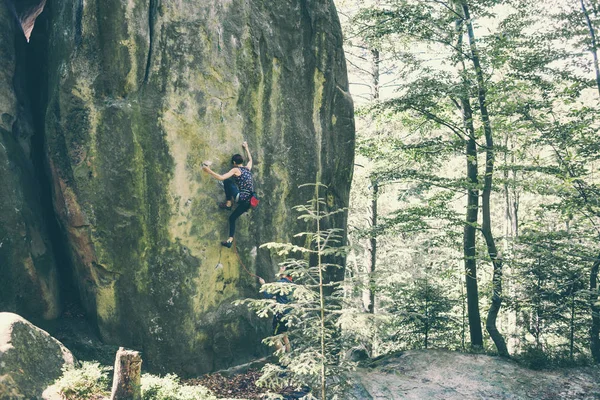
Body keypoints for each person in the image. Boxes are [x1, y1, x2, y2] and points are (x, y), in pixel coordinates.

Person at [202, 141, 255, 248]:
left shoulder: (236, 169)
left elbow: (222, 178)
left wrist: (209, 171)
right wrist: (246, 147)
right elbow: (250, 160)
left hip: (241, 198)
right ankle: (230, 240)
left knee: (227, 182)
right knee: (232, 218)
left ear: (234, 162)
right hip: (249, 202)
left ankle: (228, 204)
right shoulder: (247, 169)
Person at [259, 266, 293, 353]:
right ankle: (289, 358)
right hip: (288, 313)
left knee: (275, 337)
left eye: (282, 268)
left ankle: (284, 360)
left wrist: (263, 284)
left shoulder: (281, 283)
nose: (280, 268)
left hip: (281, 314)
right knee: (284, 335)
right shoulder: (290, 282)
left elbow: (268, 295)